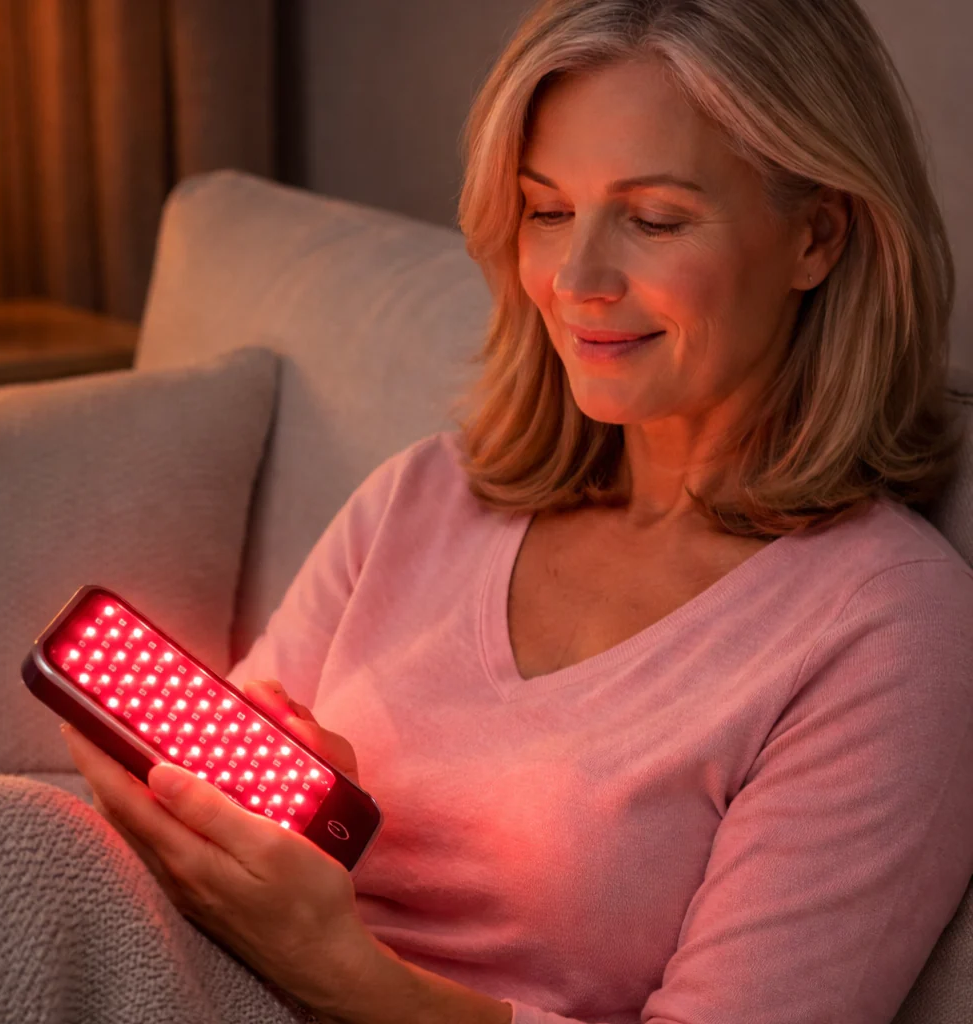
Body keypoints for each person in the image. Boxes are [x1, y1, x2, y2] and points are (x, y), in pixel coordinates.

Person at [56, 0, 973, 1022]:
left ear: (817, 236)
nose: (577, 280)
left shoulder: (889, 629)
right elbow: (202, 853)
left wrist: (337, 966)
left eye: (654, 219)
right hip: (193, 977)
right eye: (546, 211)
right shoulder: (424, 497)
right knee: (19, 834)